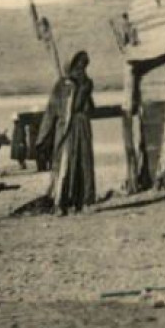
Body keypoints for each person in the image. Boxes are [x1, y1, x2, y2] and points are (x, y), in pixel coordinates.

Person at [35, 50, 97, 214]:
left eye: (83, 66)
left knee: (83, 162)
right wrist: (43, 135)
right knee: (65, 163)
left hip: (81, 126)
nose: (81, 70)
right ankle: (61, 202)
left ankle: (82, 201)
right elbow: (52, 110)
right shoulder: (63, 85)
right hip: (66, 129)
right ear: (72, 67)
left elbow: (87, 105)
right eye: (78, 66)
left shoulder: (85, 84)